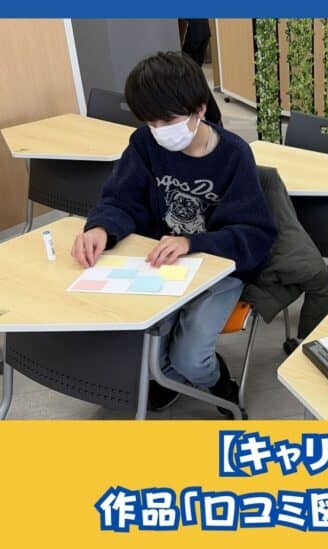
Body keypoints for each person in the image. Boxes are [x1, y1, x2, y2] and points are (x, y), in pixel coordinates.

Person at [72, 52, 277, 414]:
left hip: (218, 267)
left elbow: (255, 235)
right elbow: (121, 198)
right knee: (141, 345)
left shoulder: (234, 155)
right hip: (158, 263)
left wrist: (191, 242)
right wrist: (101, 227)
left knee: (190, 358)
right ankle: (171, 377)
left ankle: (217, 384)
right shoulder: (144, 144)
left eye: (167, 120)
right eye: (150, 121)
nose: (159, 130)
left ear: (200, 109)